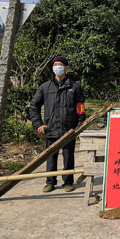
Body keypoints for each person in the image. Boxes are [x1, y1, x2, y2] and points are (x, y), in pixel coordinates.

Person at [29, 56, 86, 193]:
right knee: (51, 157)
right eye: (55, 64)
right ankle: (50, 182)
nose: (57, 67)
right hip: (51, 129)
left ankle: (67, 182)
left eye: (60, 64)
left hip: (68, 130)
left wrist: (79, 128)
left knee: (68, 157)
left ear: (66, 68)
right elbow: (33, 106)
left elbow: (80, 109)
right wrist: (38, 124)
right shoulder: (45, 87)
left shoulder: (75, 87)